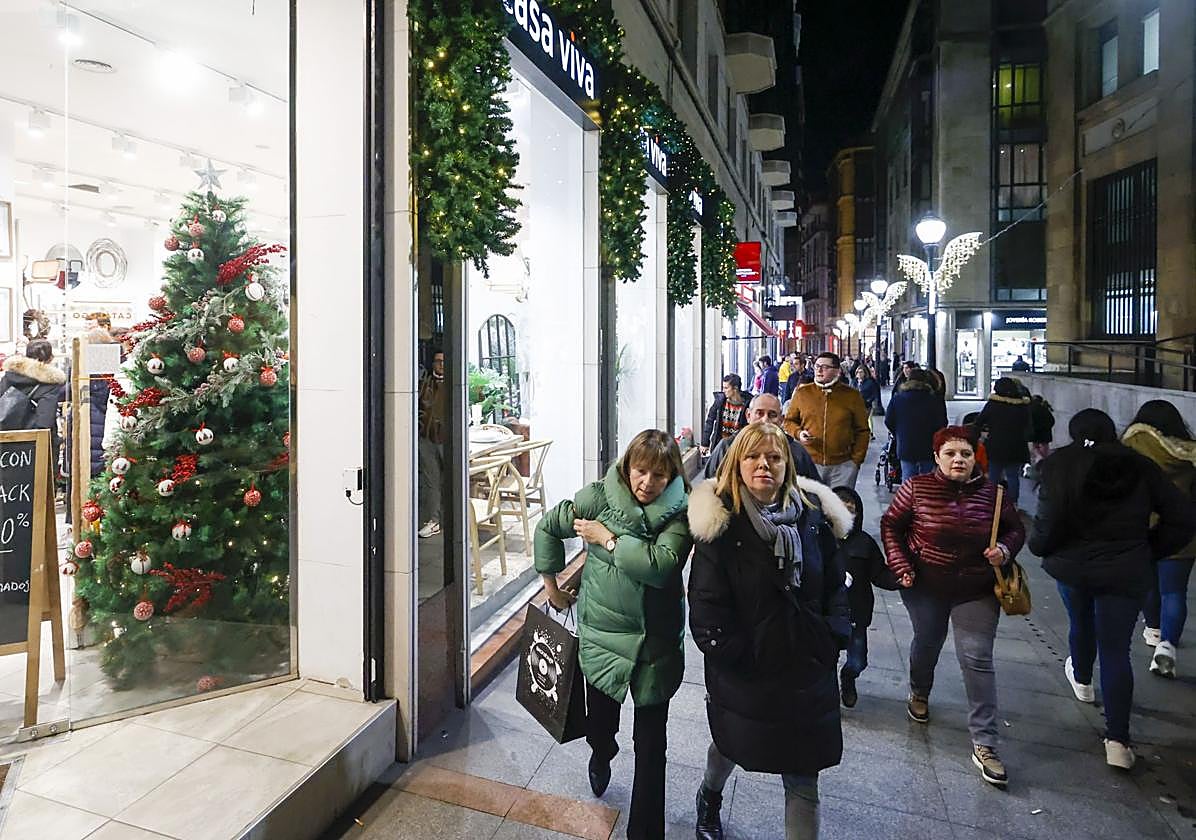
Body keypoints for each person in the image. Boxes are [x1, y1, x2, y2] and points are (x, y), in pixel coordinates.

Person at [688, 423, 851, 840]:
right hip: (748, 671)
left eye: (774, 457)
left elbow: (835, 582)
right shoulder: (722, 525)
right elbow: (707, 607)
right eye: (753, 457)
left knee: (802, 776)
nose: (764, 465)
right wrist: (739, 654)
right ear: (736, 464)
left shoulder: (811, 517)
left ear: (787, 466)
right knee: (730, 745)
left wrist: (833, 635)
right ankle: (709, 797)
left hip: (805, 667)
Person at [535, 430, 692, 839]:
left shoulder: (681, 512)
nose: (647, 483)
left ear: (671, 475)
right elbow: (549, 526)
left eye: (659, 475)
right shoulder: (599, 496)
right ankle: (602, 752)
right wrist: (551, 586)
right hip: (603, 639)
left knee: (652, 748)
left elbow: (660, 567)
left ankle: (645, 832)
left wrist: (604, 539)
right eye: (641, 471)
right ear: (627, 467)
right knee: (600, 725)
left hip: (655, 647)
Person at [1032, 409, 1193, 769]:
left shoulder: (1060, 465)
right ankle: (1118, 741)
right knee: (1116, 649)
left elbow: (1047, 522)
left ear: (1073, 432)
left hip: (1073, 568)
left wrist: (1042, 547)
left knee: (1081, 623)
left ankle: (1084, 681)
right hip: (1124, 570)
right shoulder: (1140, 467)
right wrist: (1150, 549)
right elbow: (1182, 517)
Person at [881, 426, 1025, 787]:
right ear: (937, 458)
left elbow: (1015, 529)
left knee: (976, 657)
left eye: (965, 453)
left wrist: (1004, 550)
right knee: (927, 641)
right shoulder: (916, 489)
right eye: (950, 454)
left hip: (976, 588)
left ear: (975, 457)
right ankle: (919, 690)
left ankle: (985, 742)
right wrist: (901, 565)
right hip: (925, 584)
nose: (958, 460)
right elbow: (891, 527)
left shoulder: (993, 494)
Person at [1121, 400, 1196, 677]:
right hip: (1184, 531)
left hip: (1142, 527)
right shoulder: (1189, 454)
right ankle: (1167, 646)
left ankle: (1153, 628)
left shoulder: (1131, 445)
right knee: (1174, 591)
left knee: (1149, 584)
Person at [783, 352, 870, 489]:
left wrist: (856, 461)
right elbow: (788, 422)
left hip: (843, 466)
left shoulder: (851, 396)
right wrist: (799, 433)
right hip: (810, 463)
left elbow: (863, 430)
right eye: (817, 366)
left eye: (825, 367)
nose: (819, 370)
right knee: (812, 507)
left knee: (839, 507)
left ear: (837, 371)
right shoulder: (803, 393)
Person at [832, 485, 885, 709]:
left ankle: (848, 677)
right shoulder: (820, 538)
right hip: (830, 614)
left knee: (858, 661)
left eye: (850, 510)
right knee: (825, 659)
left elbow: (880, 574)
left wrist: (903, 577)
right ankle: (829, 694)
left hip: (857, 613)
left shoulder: (864, 543)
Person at [704, 393, 818, 481]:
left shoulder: (796, 452)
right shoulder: (727, 447)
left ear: (781, 420)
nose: (765, 420)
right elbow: (709, 489)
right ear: (748, 415)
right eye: (759, 413)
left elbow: (813, 492)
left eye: (772, 415)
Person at [0, 339, 65, 461]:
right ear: (50, 358)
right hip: (32, 447)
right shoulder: (49, 384)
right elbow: (45, 421)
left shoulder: (9, 376)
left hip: (5, 440)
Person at [976, 377, 1031, 509]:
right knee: (1013, 476)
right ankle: (1013, 504)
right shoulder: (1022, 406)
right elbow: (1029, 428)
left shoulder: (993, 404)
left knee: (993, 475)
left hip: (996, 445)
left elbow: (979, 422)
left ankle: (992, 502)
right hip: (1017, 446)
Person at [884, 369, 948, 480]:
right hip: (927, 446)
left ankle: (908, 496)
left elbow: (888, 420)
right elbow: (942, 423)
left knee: (908, 479)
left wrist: (899, 432)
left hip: (905, 444)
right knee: (926, 479)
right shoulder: (934, 400)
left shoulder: (898, 398)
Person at [417, 349, 446, 539]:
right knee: (431, 481)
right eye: (437, 361)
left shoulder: (454, 384)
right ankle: (434, 520)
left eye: (444, 361)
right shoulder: (425, 383)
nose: (441, 365)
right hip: (426, 436)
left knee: (451, 479)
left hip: (447, 438)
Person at [701, 374, 752, 455]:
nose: (723, 390)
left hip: (739, 447)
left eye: (726, 388)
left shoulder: (749, 404)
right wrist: (705, 443)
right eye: (723, 387)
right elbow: (710, 420)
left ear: (735, 388)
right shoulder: (720, 401)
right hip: (720, 446)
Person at [854, 366, 882, 439]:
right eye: (858, 372)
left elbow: (874, 393)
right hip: (855, 405)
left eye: (861, 372)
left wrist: (868, 401)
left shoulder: (869, 382)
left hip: (866, 405)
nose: (859, 374)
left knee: (864, 419)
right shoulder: (854, 382)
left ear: (864, 373)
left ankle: (867, 433)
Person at [1028, 393, 1055, 468]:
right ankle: (1044, 460)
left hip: (1036, 433)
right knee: (1044, 447)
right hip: (1046, 433)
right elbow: (1052, 421)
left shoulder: (1031, 409)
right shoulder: (1045, 408)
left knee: (1035, 447)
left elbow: (1030, 422)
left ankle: (1039, 459)